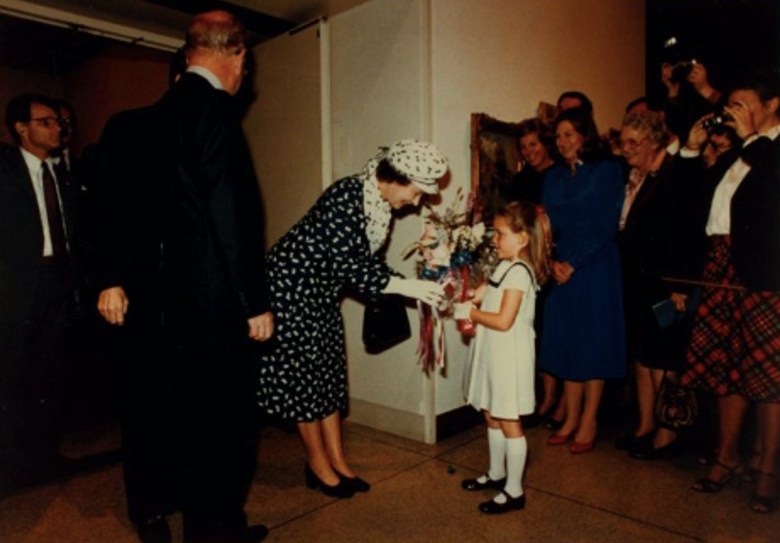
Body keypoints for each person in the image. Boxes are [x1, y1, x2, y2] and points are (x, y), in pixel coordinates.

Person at [108, 11, 273, 543]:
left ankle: (205, 523)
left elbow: (128, 216)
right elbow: (231, 216)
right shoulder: (215, 111)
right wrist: (254, 301)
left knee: (183, 422)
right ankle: (217, 532)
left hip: (164, 307)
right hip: (214, 305)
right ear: (237, 56)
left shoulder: (143, 120)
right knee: (226, 431)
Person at [257, 140, 447, 499]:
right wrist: (409, 288)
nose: (417, 202)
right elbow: (350, 266)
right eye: (418, 192)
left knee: (329, 376)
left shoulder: (378, 206)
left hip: (321, 295)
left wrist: (412, 281)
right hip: (290, 293)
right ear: (397, 178)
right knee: (305, 384)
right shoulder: (347, 195)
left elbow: (368, 265)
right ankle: (318, 464)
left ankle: (339, 461)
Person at [680, 68, 780, 515]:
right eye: (731, 107)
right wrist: (692, 148)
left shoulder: (770, 151)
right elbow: (693, 205)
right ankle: (726, 458)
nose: (733, 114)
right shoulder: (738, 154)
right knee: (725, 369)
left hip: (764, 275)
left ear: (771, 105)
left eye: (742, 105)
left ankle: (767, 471)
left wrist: (751, 140)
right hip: (722, 267)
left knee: (766, 378)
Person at [0, 94, 78, 487]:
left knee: (51, 373)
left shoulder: (64, 173)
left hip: (60, 285)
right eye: (46, 121)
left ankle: (47, 457)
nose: (57, 127)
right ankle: (13, 463)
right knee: (13, 376)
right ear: (21, 128)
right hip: (16, 290)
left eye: (57, 121)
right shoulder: (4, 172)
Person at [455, 201, 551, 514]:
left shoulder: (521, 272)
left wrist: (472, 313)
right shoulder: (503, 266)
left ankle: (514, 490)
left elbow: (503, 320)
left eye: (501, 233)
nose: (495, 239)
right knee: (492, 414)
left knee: (509, 421)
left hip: (509, 356)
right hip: (493, 351)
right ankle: (497, 473)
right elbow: (482, 293)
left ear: (522, 238)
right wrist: (462, 293)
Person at [540, 107, 626, 453]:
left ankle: (589, 419)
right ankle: (571, 416)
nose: (563, 142)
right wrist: (551, 260)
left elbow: (607, 224)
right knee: (567, 342)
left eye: (569, 135)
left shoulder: (607, 170)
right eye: (559, 136)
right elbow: (546, 227)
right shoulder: (554, 177)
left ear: (585, 136)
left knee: (594, 342)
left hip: (596, 266)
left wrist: (574, 262)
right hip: (561, 267)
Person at [613, 111, 692, 460]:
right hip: (639, 281)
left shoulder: (674, 173)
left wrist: (679, 284)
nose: (626, 148)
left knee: (662, 354)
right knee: (644, 356)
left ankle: (667, 429)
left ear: (654, 141)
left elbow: (684, 232)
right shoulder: (637, 175)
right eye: (624, 141)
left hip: (665, 284)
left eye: (634, 142)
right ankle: (645, 425)